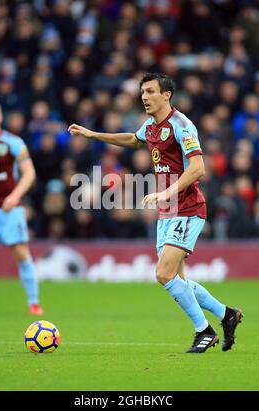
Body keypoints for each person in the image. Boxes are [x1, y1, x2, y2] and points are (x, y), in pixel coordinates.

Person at [69, 73, 243, 353]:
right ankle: (226, 315)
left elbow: (198, 168)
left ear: (166, 95)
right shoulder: (150, 126)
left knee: (163, 274)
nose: (144, 97)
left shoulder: (182, 125)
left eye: (150, 91)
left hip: (186, 207)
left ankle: (204, 331)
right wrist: (93, 135)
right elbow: (132, 139)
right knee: (178, 280)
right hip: (168, 210)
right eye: (142, 92)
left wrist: (166, 192)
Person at [0, 101, 44, 315]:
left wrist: (14, 196)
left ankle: (34, 303)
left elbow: (29, 173)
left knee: (21, 254)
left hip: (9, 208)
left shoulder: (13, 142)